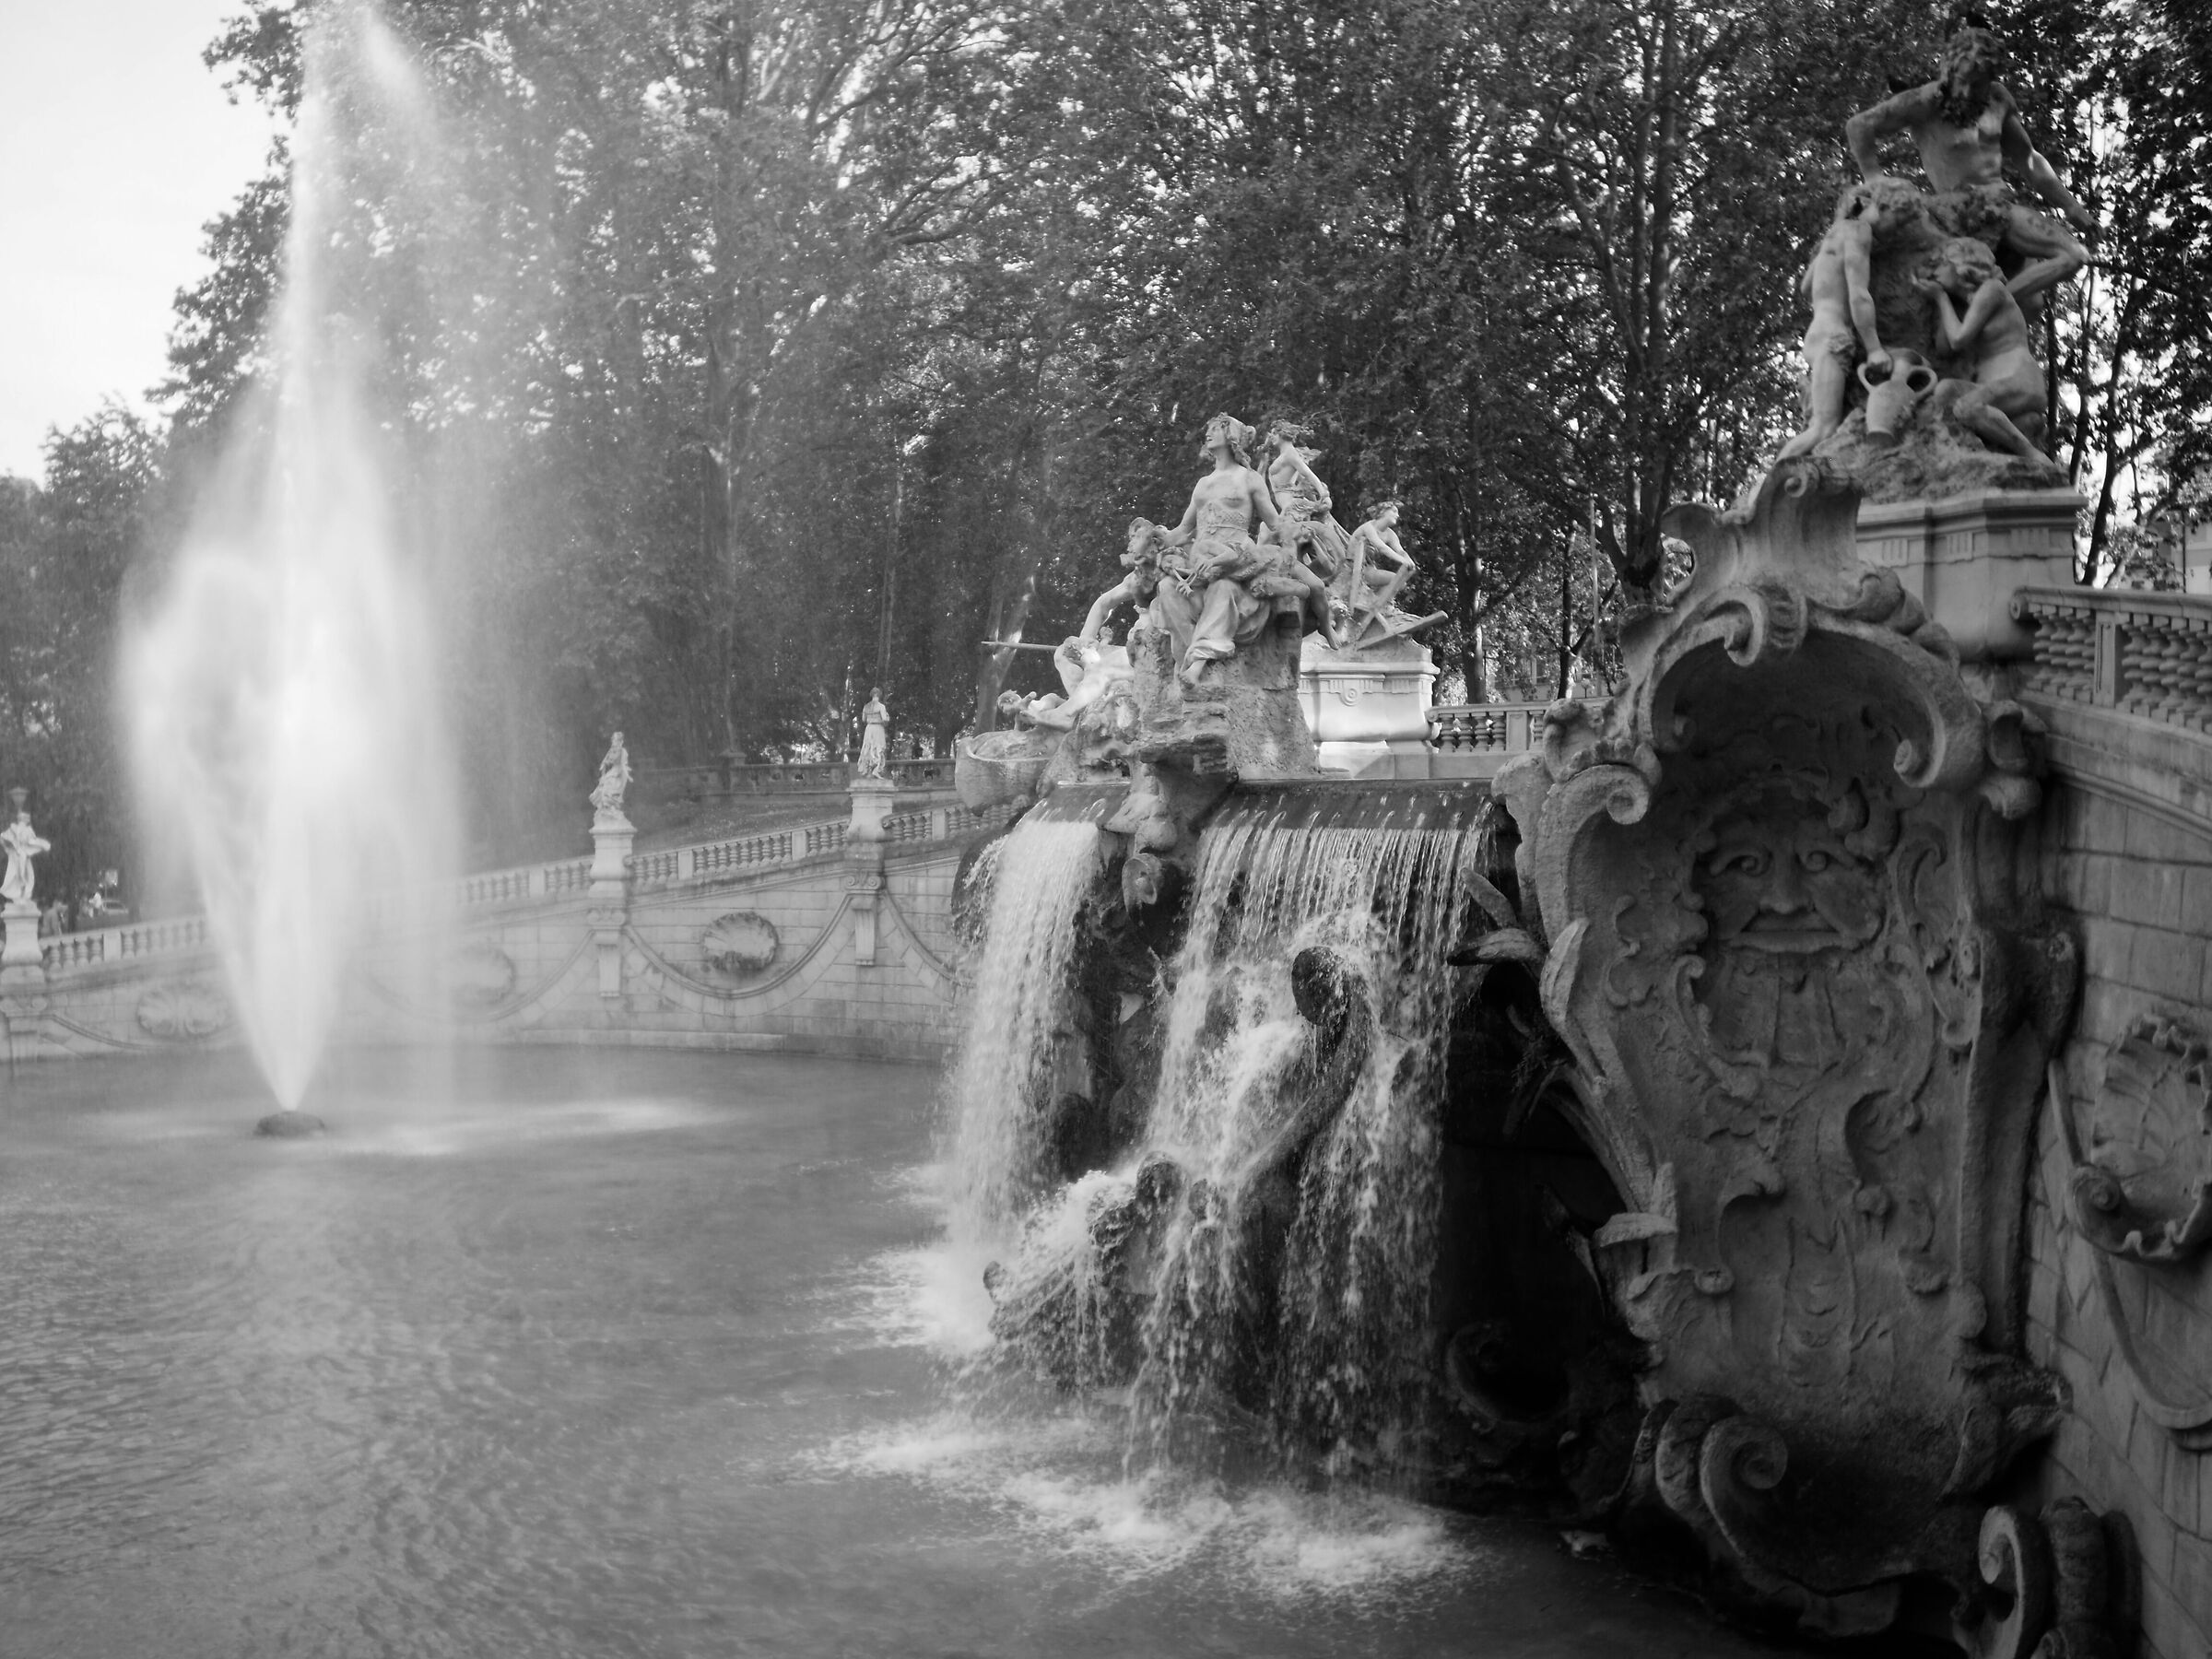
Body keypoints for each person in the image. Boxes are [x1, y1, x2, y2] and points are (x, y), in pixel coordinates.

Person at [1845, 20, 2091, 308]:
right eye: (1964, 81)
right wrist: (1875, 180)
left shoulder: (1997, 100)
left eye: (1978, 84)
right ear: (1950, 70)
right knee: (2064, 263)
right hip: (1958, 210)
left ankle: (1984, 307)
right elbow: (1859, 125)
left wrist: (2071, 206)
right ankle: (1986, 305)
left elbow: (2028, 159)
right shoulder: (1925, 102)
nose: (1968, 92)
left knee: (2046, 290)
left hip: (2000, 204)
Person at [1778, 180, 1923, 460]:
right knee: (1823, 428)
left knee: (1820, 424)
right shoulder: (1859, 231)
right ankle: (1772, 483)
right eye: (1897, 219)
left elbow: (1806, 286)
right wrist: (1874, 349)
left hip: (1817, 333)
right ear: (1872, 205)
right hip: (1835, 338)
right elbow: (1859, 295)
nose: (1894, 231)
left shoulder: (1834, 234)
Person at [1157, 415, 1297, 686]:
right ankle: (1193, 652)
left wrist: (1298, 533)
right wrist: (1156, 538)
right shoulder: (1203, 484)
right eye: (1208, 429)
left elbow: (1275, 524)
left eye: (1215, 429)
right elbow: (1183, 531)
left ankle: (1197, 666)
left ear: (1231, 435)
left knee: (1222, 589)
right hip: (1200, 566)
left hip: (1234, 566)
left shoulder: (1249, 479)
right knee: (1166, 588)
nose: (1207, 433)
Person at [1912, 237, 2049, 461]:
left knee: (1967, 408)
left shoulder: (1993, 290)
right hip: (1992, 386)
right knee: (1945, 390)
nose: (1936, 272)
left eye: (1943, 263)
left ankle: (2031, 454)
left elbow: (1958, 340)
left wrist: (1941, 298)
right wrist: (1944, 301)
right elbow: (1944, 349)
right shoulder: (1969, 303)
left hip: (2020, 380)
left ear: (1963, 266)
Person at [1346, 502, 1416, 638]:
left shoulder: (1390, 534)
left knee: (1400, 582)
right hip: (1356, 570)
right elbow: (1382, 547)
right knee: (1396, 580)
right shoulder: (1369, 527)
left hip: (1370, 569)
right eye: (1394, 511)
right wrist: (1403, 561)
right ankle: (1380, 605)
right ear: (1383, 512)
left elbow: (1400, 551)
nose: (1397, 515)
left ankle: (1379, 604)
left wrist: (1409, 560)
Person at [589, 732, 631, 815]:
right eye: (613, 739)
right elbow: (605, 761)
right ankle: (606, 809)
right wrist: (603, 769)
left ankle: (612, 808)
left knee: (611, 787)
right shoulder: (611, 750)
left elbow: (623, 765)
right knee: (604, 786)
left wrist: (628, 776)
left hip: (619, 773)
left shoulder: (623, 751)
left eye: (615, 740)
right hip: (613, 771)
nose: (613, 741)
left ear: (620, 741)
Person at [856, 689, 890, 779]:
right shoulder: (881, 706)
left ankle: (868, 770)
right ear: (879, 695)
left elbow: (863, 719)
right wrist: (888, 717)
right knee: (878, 748)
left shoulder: (866, 707)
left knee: (868, 748)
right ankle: (876, 770)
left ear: (871, 695)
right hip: (878, 728)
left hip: (869, 728)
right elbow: (884, 719)